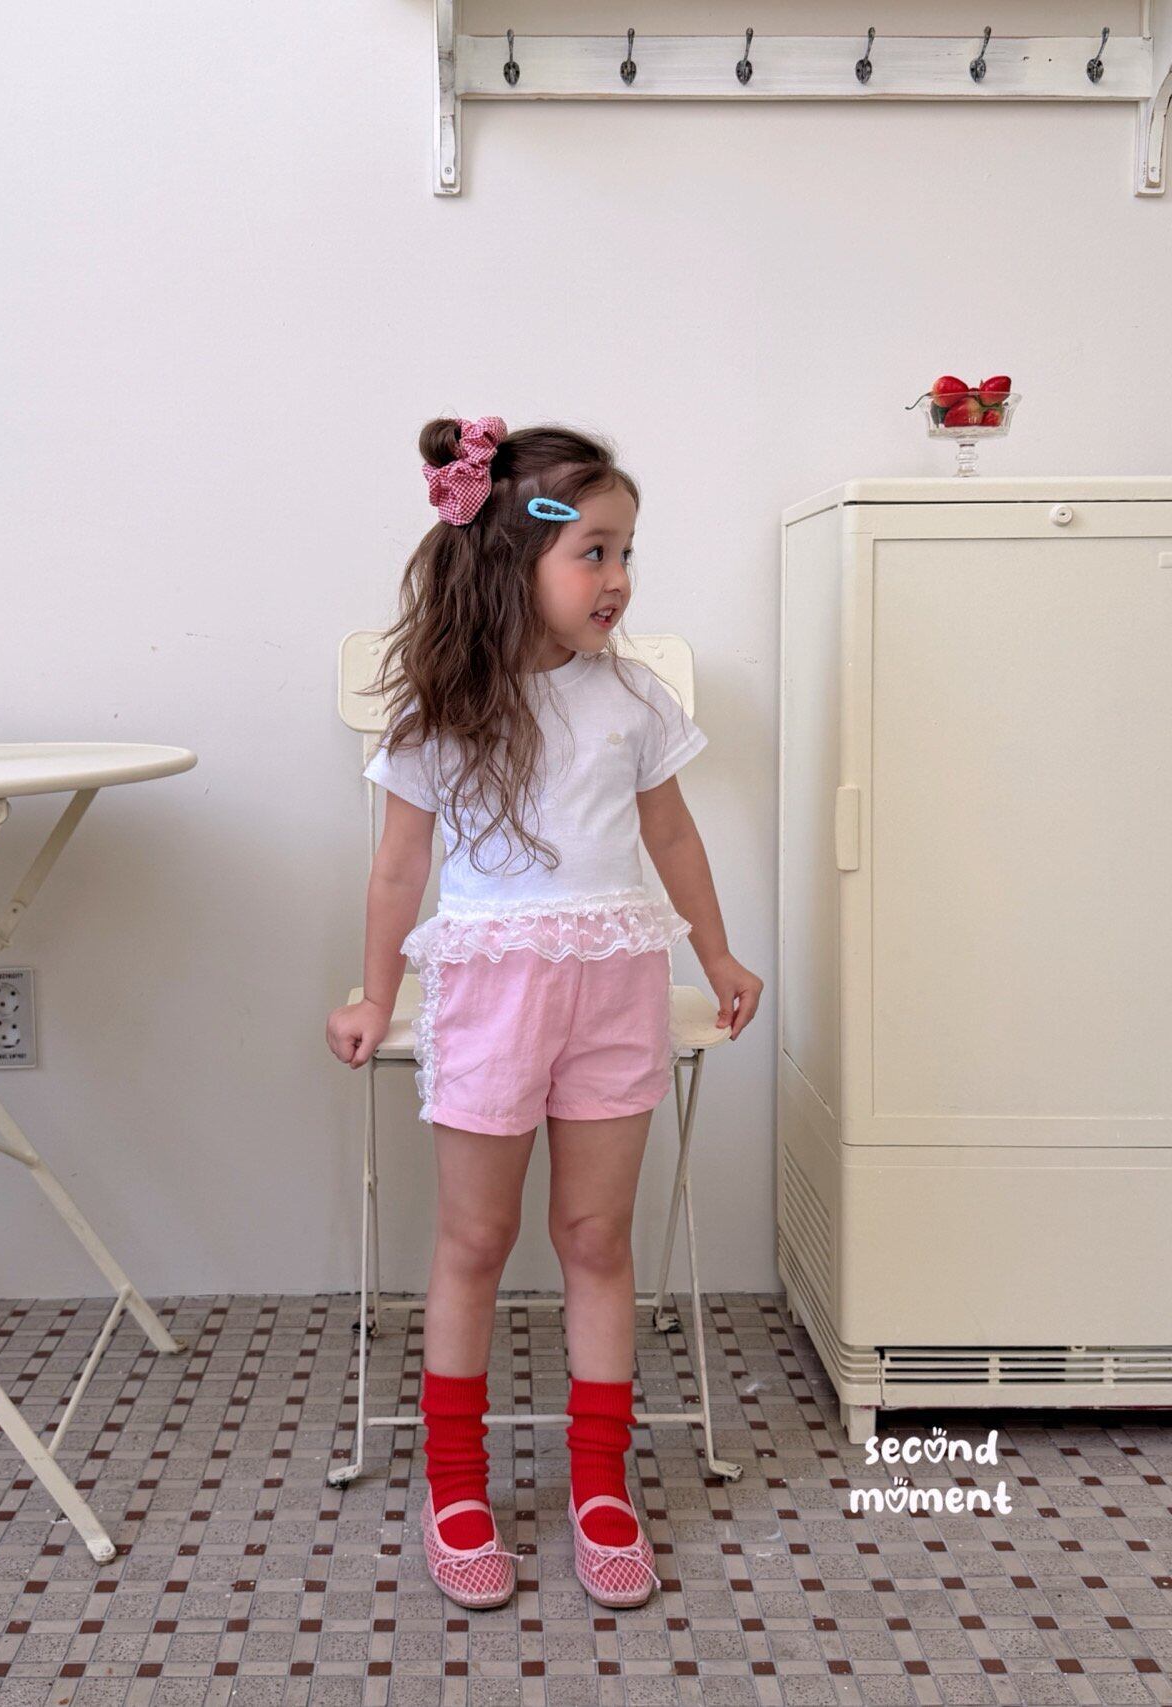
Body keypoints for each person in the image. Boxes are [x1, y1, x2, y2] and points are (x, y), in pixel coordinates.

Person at [326, 415, 762, 1612]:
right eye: (593, 553)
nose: (617, 579)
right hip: (488, 994)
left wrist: (715, 950)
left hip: (615, 983)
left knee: (593, 1237)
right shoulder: (440, 713)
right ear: (511, 560)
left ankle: (600, 1483)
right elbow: (396, 870)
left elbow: (670, 833)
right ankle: (454, 1484)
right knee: (474, 1239)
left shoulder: (630, 700)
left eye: (626, 554)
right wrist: (375, 994)